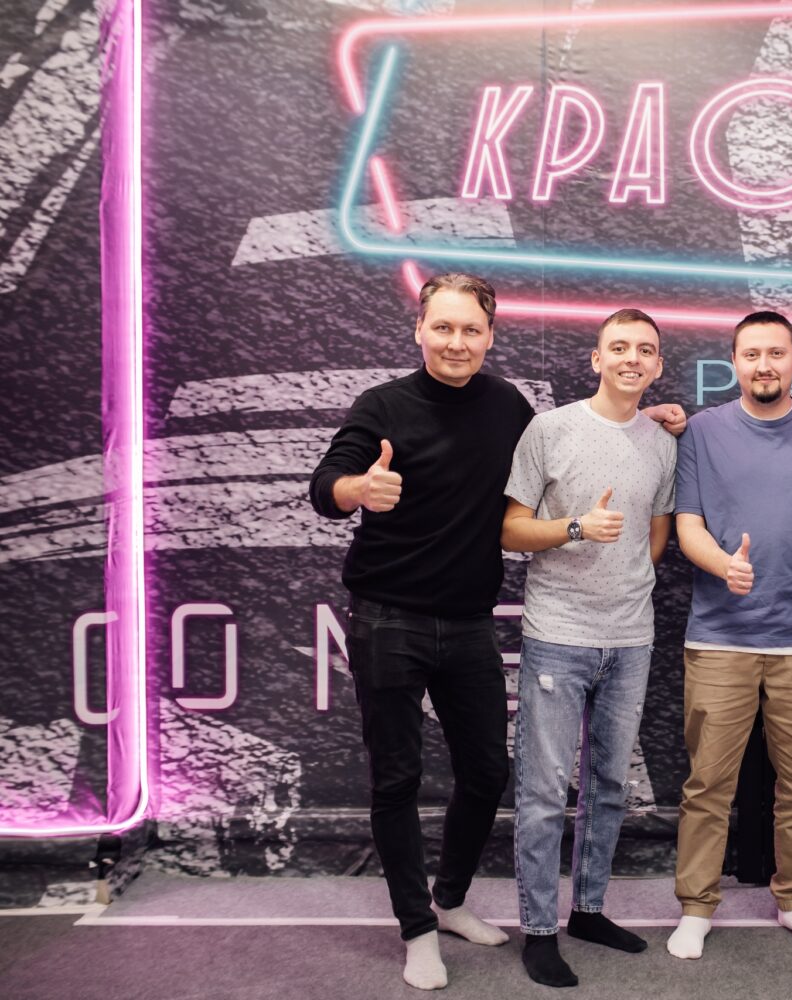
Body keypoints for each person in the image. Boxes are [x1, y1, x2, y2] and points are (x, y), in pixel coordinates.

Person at [308, 273, 534, 990]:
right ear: (419, 330)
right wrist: (359, 489)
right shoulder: (382, 406)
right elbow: (325, 487)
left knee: (488, 772)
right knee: (397, 779)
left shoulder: (509, 406)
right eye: (443, 327)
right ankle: (416, 930)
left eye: (470, 330)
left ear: (490, 336)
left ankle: (450, 900)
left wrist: (647, 421)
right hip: (387, 619)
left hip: (468, 622)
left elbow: (566, 450)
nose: (456, 342)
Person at [666, 311, 792, 960]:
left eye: (776, 353)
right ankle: (696, 907)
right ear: (734, 361)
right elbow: (688, 524)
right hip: (719, 637)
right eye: (751, 354)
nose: (764, 365)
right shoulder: (702, 432)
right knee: (707, 784)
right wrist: (725, 566)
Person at [500, 308, 679, 988]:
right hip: (557, 636)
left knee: (609, 785)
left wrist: (623, 575)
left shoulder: (661, 442)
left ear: (657, 364)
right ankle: (539, 930)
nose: (632, 358)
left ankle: (590, 911)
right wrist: (577, 527)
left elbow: (655, 538)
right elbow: (510, 529)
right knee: (545, 792)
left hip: (630, 639)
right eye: (619, 347)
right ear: (596, 358)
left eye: (645, 349)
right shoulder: (550, 430)